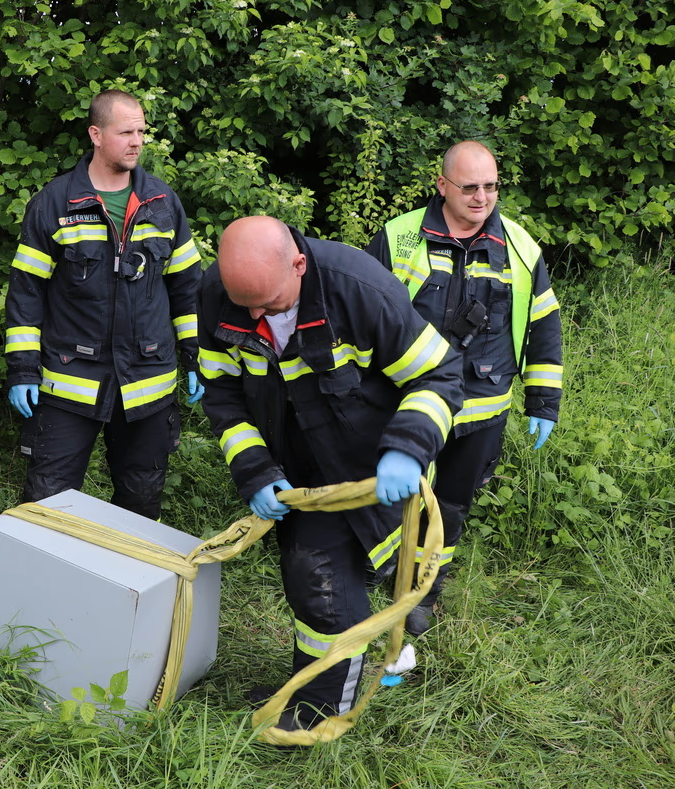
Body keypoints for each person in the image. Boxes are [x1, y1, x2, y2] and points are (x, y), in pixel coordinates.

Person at [198, 215, 463, 732]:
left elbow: (440, 373)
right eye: (243, 303)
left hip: (373, 466)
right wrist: (255, 470)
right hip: (297, 475)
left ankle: (322, 709)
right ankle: (314, 682)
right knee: (308, 581)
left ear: (298, 265)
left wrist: (407, 450)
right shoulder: (219, 292)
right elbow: (223, 392)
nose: (253, 315)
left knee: (319, 582)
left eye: (269, 304)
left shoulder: (360, 290)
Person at [365, 140, 563, 635]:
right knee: (396, 497)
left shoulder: (519, 247)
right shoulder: (400, 237)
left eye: (491, 187)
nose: (481, 198)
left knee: (450, 505)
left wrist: (543, 400)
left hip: (482, 408)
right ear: (442, 185)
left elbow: (544, 325)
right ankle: (385, 570)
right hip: (409, 404)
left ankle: (424, 590)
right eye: (470, 187)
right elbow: (363, 315)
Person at [3, 89, 204, 520]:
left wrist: (194, 356)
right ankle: (46, 586)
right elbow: (25, 294)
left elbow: (187, 288)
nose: (137, 141)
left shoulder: (163, 203)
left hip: (147, 383)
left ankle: (128, 585)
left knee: (141, 502)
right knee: (47, 502)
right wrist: (22, 369)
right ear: (95, 134)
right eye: (126, 132)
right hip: (70, 381)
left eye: (141, 131)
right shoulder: (55, 204)